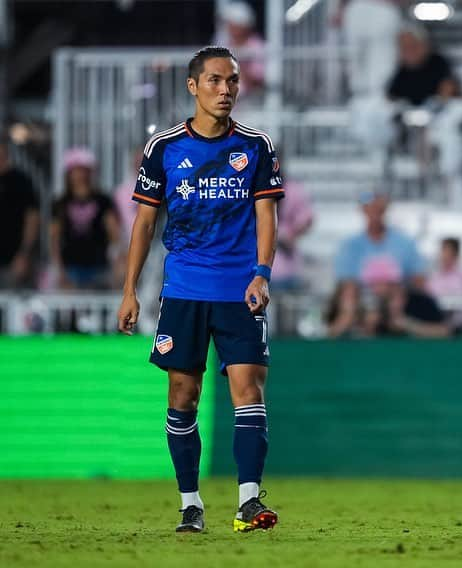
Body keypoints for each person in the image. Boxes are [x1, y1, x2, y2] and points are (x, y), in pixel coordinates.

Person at [117, 46, 283, 534]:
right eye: (214, 81)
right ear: (193, 87)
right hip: (184, 290)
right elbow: (145, 223)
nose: (225, 90)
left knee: (249, 389)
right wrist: (129, 290)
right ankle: (190, 503)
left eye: (231, 81)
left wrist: (262, 272)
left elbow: (266, 215)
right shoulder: (164, 148)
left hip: (240, 290)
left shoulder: (256, 146)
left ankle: (249, 502)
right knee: (182, 394)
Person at [328, 191, 427, 337]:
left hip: (398, 304)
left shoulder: (404, 243)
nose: (374, 213)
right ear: (363, 211)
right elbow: (345, 283)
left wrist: (392, 289)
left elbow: (418, 279)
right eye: (370, 208)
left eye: (378, 209)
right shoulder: (350, 245)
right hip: (361, 304)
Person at [50, 148, 121, 290]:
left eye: (83, 170)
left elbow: (115, 234)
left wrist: (118, 262)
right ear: (68, 174)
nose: (79, 175)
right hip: (70, 267)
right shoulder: (60, 203)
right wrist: (59, 270)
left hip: (99, 267)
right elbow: (54, 239)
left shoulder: (103, 200)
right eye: (75, 170)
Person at [0, 141, 39, 289]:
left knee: (14, 307)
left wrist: (24, 253)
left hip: (13, 261)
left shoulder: (21, 181)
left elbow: (33, 219)